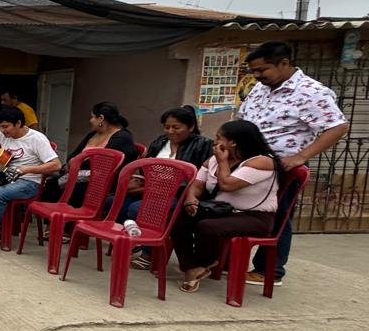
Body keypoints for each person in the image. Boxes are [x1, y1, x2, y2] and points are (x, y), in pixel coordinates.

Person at [237, 42, 348, 286]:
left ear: (284, 63)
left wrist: (301, 157)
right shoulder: (261, 88)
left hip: (281, 167)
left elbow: (338, 126)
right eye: (254, 71)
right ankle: (229, 261)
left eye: (262, 70)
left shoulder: (311, 92)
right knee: (242, 211)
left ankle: (269, 271)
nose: (257, 75)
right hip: (250, 164)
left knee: (278, 216)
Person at [172, 120, 280, 294]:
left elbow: (227, 185)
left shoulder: (261, 162)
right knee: (177, 217)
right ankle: (191, 267)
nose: (215, 142)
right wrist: (191, 200)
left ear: (233, 142)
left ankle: (203, 264)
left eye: (219, 138)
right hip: (221, 211)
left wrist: (222, 161)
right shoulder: (213, 160)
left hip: (254, 217)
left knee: (206, 227)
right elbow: (197, 185)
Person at [116, 106, 215, 270]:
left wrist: (160, 188)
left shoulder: (203, 145)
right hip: (152, 189)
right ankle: (132, 241)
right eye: (167, 127)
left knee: (138, 208)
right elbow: (146, 167)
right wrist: (141, 181)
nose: (170, 131)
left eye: (176, 127)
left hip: (180, 193)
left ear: (191, 127)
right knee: (116, 202)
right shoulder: (159, 142)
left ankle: (148, 253)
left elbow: (199, 178)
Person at [0, 107, 61, 249]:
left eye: (6, 127)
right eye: (0, 127)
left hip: (30, 183)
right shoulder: (2, 134)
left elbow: (56, 165)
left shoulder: (36, 139)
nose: (2, 130)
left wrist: (27, 169)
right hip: (5, 176)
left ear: (18, 123)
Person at [40, 102, 139, 206]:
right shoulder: (93, 134)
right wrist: (73, 162)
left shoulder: (122, 138)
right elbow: (73, 155)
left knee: (66, 190)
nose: (90, 120)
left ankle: (64, 215)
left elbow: (101, 164)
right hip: (80, 176)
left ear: (101, 118)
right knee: (50, 184)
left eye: (92, 117)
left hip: (101, 183)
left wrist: (76, 164)